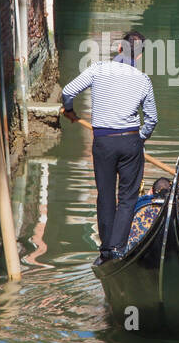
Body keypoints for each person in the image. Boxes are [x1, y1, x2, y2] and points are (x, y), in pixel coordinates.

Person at [61, 30, 158, 262]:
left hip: (103, 141)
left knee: (105, 195)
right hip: (130, 140)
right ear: (140, 56)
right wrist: (139, 139)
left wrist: (70, 111)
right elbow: (152, 119)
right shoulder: (144, 80)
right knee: (127, 198)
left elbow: (67, 91)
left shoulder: (98, 69)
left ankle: (105, 250)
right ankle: (116, 249)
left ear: (119, 49)